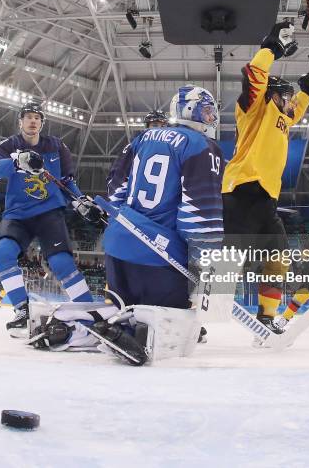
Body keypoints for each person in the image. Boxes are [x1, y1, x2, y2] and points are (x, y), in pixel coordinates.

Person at [87, 85, 225, 361]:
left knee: (124, 307)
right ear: (190, 111)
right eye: (208, 112)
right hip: (158, 261)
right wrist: (207, 265)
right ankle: (136, 334)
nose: (212, 119)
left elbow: (115, 192)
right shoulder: (202, 146)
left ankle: (82, 324)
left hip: (117, 251)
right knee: (186, 329)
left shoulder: (141, 138)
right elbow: (199, 217)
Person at [222, 21, 309, 334]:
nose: (289, 102)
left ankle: (267, 316)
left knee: (279, 258)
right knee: (228, 264)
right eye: (286, 97)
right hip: (240, 191)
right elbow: (255, 75)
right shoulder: (255, 107)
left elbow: (294, 112)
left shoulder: (282, 118)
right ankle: (199, 311)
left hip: (266, 199)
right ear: (272, 96)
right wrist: (271, 46)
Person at [0, 102, 94, 332]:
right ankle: (22, 311)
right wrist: (16, 162)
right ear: (20, 121)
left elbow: (66, 181)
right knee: (2, 254)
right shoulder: (9, 145)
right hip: (18, 215)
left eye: (37, 117)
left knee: (61, 262)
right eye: (28, 117)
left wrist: (81, 201)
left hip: (49, 213)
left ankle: (92, 314)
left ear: (42, 123)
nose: (33, 121)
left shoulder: (57, 146)